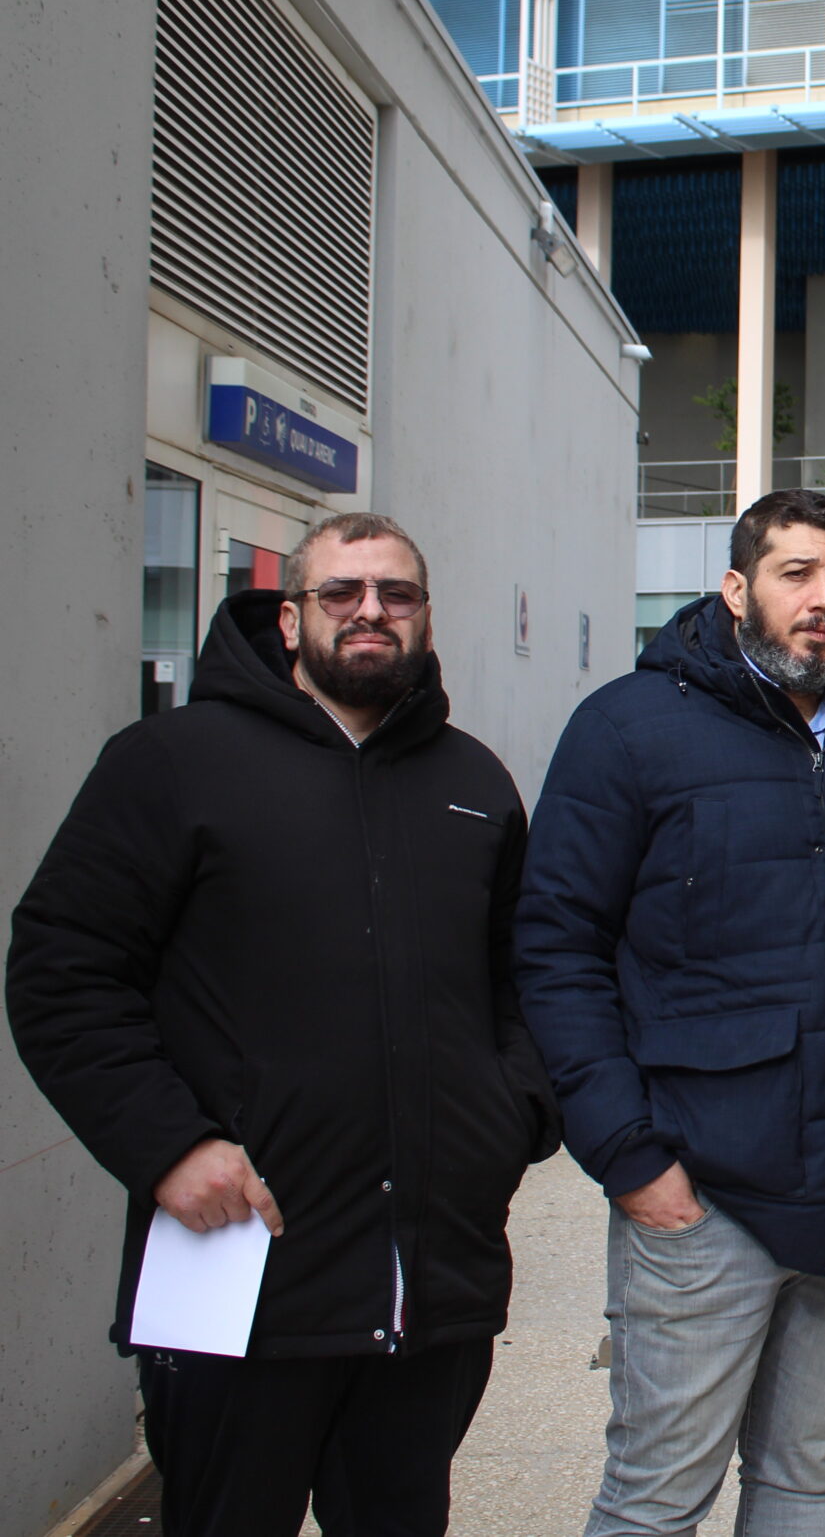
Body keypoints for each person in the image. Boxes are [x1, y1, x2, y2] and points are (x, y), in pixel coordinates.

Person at [6, 513, 557, 1537]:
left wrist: (506, 1121)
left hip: (428, 1281)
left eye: (397, 595)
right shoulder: (171, 763)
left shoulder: (472, 785)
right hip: (237, 1269)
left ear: (426, 617)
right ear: (291, 613)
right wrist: (168, 1144)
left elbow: (521, 980)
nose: (370, 613)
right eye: (342, 593)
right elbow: (61, 972)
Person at [514, 488, 825, 1537]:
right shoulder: (629, 730)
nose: (824, 599)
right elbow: (556, 950)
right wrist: (629, 1157)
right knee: (656, 1499)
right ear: (736, 588)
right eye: (796, 574)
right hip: (701, 1194)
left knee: (803, 1486)